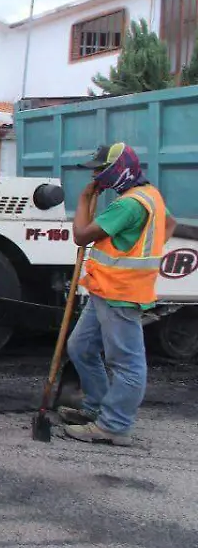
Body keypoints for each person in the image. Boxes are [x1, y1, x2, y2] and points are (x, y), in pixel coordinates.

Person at [58, 143, 176, 446]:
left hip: (121, 292)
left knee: (127, 363)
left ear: (119, 170)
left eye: (101, 170)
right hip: (105, 288)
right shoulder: (149, 195)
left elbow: (81, 235)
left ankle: (114, 425)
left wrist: (84, 198)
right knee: (81, 347)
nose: (97, 176)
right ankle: (96, 408)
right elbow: (170, 223)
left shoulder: (128, 204)